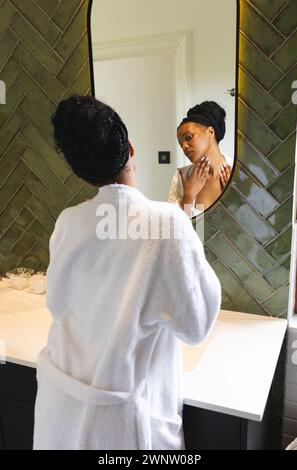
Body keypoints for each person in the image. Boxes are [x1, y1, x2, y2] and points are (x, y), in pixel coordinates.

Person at [33, 95, 222, 450]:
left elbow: (57, 302)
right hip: (121, 427)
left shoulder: (69, 222)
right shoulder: (168, 224)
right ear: (131, 149)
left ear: (81, 174)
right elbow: (197, 325)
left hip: (61, 408)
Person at [168, 101, 232, 217]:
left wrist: (235, 198)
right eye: (180, 143)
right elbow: (174, 228)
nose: (184, 146)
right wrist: (188, 196)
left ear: (210, 132)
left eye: (188, 137)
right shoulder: (181, 179)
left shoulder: (237, 171)